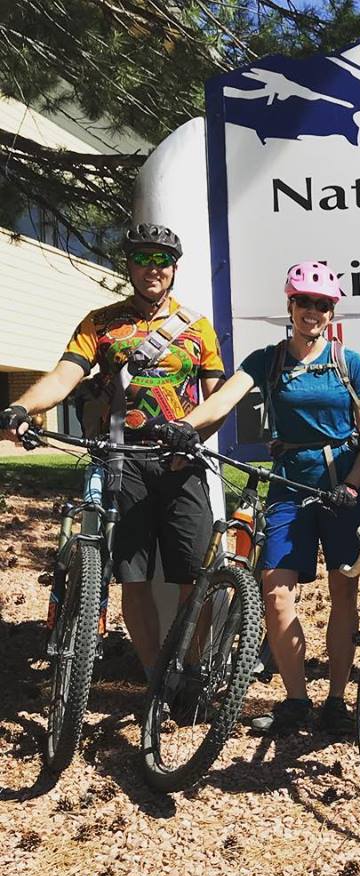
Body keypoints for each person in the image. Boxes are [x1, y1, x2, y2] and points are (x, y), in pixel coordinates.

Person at [158, 261, 360, 736]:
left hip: (343, 487)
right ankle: (296, 700)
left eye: (322, 305)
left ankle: (337, 701)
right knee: (275, 592)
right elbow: (225, 398)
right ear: (290, 305)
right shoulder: (269, 359)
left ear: (331, 310)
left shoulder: (349, 362)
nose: (312, 312)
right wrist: (186, 425)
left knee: (344, 589)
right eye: (304, 302)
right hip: (289, 487)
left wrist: (353, 486)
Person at [0, 223, 225, 677]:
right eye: (143, 258)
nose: (152, 268)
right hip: (124, 462)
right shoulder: (99, 322)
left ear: (175, 269)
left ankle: (190, 670)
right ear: (129, 265)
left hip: (181, 463)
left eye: (162, 260)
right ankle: (154, 678)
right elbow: (64, 376)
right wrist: (20, 406)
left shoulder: (198, 327)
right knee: (134, 578)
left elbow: (216, 399)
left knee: (195, 579)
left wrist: (193, 435)